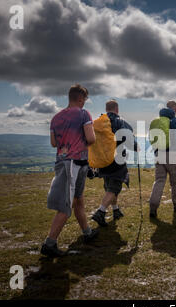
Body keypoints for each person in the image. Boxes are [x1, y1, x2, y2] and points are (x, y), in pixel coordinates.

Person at [42, 84, 99, 258]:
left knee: (78, 199)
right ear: (81, 98)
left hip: (64, 161)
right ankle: (49, 244)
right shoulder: (83, 114)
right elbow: (91, 138)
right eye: (85, 99)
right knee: (67, 204)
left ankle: (87, 233)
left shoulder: (56, 118)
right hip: (74, 164)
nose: (84, 103)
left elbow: (54, 143)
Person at [91, 100, 139, 227]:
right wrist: (136, 147)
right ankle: (100, 212)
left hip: (102, 159)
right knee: (115, 187)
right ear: (117, 109)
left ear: (107, 109)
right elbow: (129, 141)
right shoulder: (121, 122)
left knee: (109, 185)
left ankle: (116, 210)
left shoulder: (99, 122)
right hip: (117, 160)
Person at [149, 100, 176, 218]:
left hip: (159, 154)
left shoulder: (158, 121)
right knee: (175, 181)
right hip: (172, 154)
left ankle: (153, 207)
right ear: (174, 109)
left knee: (159, 180)